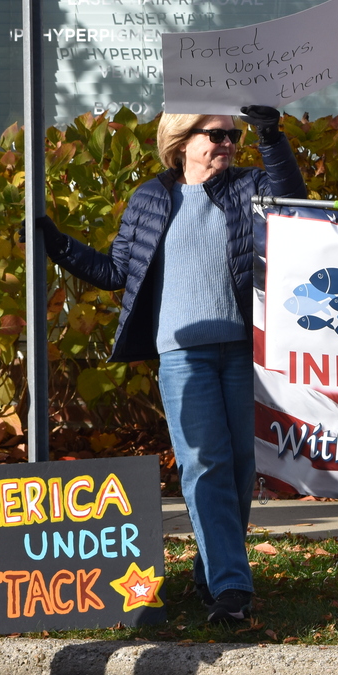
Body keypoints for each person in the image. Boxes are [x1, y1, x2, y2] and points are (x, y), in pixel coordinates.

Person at [37, 105, 305, 625]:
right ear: (182, 141)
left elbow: (295, 205)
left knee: (239, 467)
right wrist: (57, 243)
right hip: (183, 356)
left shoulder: (248, 187)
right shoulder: (151, 198)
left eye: (233, 135)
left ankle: (213, 574)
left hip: (243, 352)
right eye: (217, 134)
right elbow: (115, 271)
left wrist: (271, 136)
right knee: (204, 464)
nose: (228, 143)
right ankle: (232, 586)